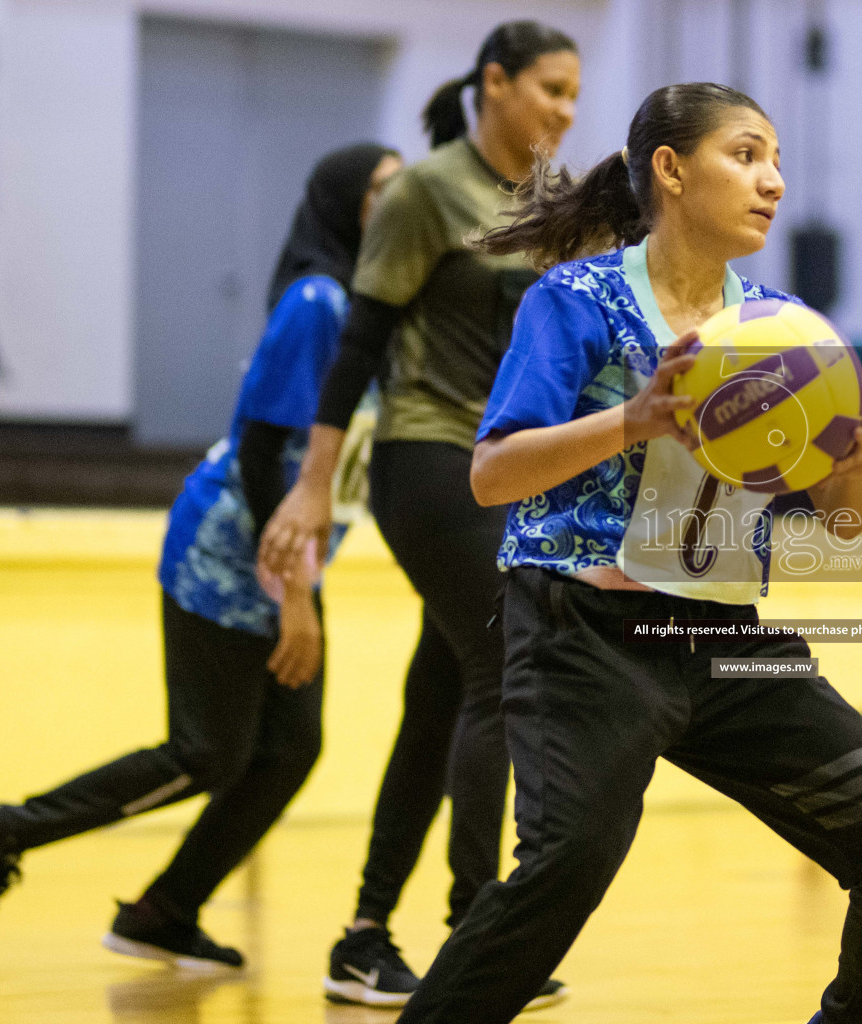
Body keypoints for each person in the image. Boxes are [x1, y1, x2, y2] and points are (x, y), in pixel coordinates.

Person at [387, 82, 862, 1024]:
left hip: (728, 642)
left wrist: (849, 462)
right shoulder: (575, 298)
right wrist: (635, 417)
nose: (772, 180)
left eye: (776, 160)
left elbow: (849, 531)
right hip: (586, 635)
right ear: (671, 169)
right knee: (565, 869)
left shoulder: (783, 327)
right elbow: (490, 476)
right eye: (746, 154)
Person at [0, 144, 403, 963]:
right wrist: (294, 593)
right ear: (342, 206)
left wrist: (301, 583)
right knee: (206, 752)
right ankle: (8, 831)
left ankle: (163, 911)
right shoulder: (317, 301)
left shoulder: (374, 311)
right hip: (225, 554)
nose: (399, 207)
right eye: (382, 193)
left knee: (288, 750)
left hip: (291, 558)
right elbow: (261, 458)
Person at [257, 20, 579, 1010]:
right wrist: (313, 485)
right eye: (549, 90)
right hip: (425, 453)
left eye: (574, 95)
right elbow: (360, 342)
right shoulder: (423, 191)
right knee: (500, 671)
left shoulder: (548, 203)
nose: (564, 111)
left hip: (502, 465)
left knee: (441, 696)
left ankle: (363, 936)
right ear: (494, 83)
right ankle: (480, 930)